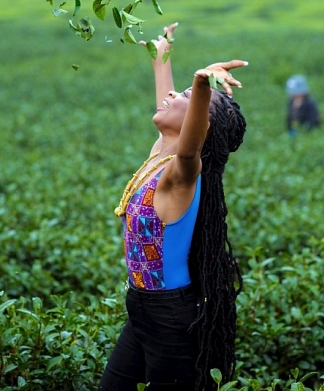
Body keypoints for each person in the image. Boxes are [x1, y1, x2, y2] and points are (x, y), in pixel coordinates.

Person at [98, 22, 248, 391]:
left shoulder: (180, 176)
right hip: (141, 307)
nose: (171, 97)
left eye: (183, 96)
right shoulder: (160, 154)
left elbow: (190, 146)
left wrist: (200, 84)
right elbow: (167, 111)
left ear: (200, 125)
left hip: (171, 315)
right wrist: (161, 55)